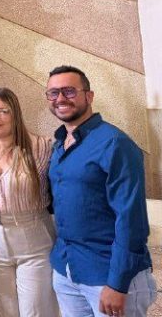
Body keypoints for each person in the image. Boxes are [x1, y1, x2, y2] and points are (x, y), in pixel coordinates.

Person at [46, 66, 157, 317]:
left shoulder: (115, 144)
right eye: (53, 93)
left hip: (107, 273)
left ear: (89, 96)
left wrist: (118, 282)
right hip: (67, 269)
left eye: (69, 91)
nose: (60, 98)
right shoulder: (60, 144)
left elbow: (131, 220)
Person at [0, 87, 59, 317]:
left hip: (34, 240)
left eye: (3, 111)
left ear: (15, 114)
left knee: (36, 311)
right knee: (6, 311)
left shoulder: (42, 147)